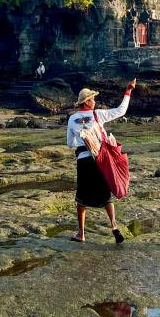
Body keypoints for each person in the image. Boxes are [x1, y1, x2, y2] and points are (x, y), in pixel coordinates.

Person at [66, 78, 136, 244]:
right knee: (106, 196)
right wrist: (128, 91)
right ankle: (113, 226)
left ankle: (81, 234)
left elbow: (70, 143)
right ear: (87, 102)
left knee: (81, 198)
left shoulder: (72, 119)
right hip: (100, 160)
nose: (95, 101)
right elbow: (121, 110)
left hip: (83, 162)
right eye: (93, 98)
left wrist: (82, 143)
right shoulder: (98, 115)